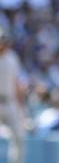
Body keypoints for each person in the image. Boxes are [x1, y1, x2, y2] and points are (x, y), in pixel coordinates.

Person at [0, 27, 26, 163]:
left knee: (19, 138)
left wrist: (21, 106)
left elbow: (17, 83)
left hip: (9, 102)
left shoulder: (12, 58)